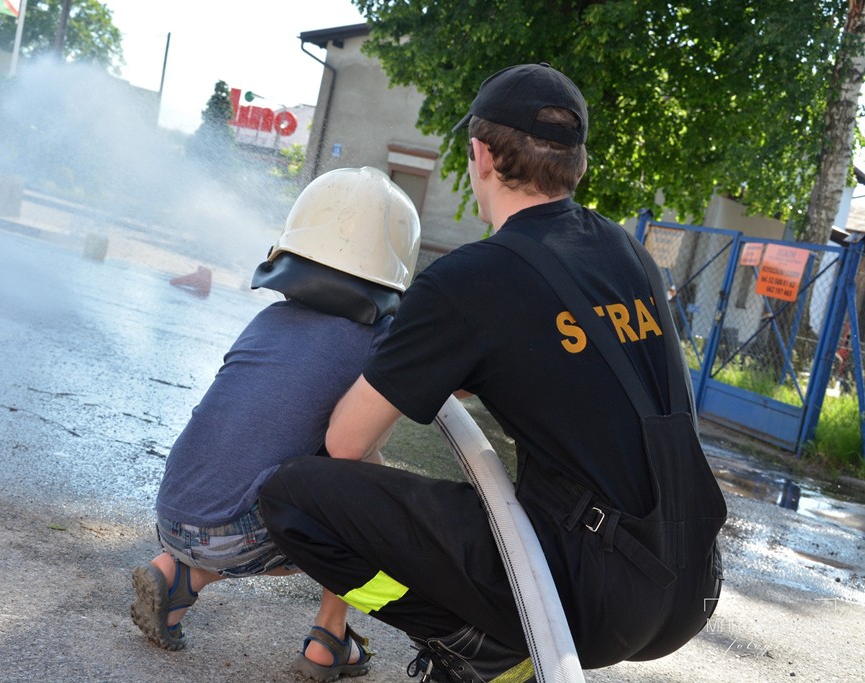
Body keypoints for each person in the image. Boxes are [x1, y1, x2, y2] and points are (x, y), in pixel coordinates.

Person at [259, 64, 727, 682]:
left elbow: (347, 442)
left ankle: (478, 648)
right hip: (691, 579)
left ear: (479, 154)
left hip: (586, 601)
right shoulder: (627, 252)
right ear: (577, 163)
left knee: (293, 500)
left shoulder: (470, 280)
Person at [130, 166, 421, 681]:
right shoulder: (375, 342)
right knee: (370, 493)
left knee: (319, 467)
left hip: (172, 510)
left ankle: (179, 576)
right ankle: (329, 639)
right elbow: (363, 442)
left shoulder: (269, 320)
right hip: (229, 529)